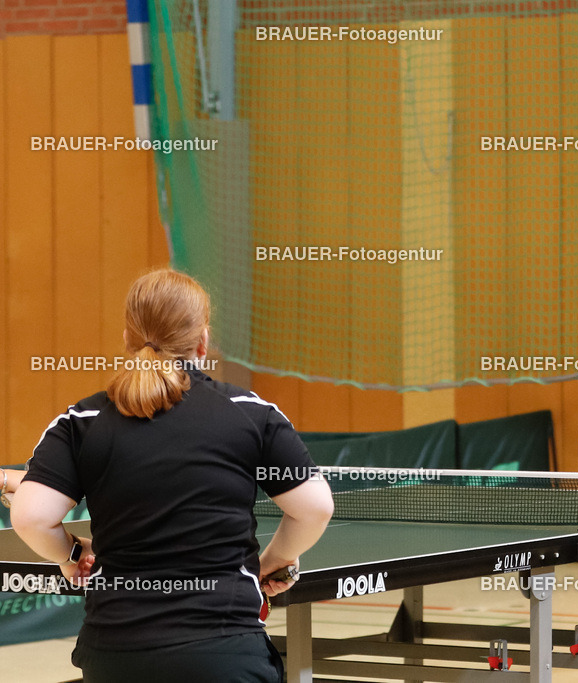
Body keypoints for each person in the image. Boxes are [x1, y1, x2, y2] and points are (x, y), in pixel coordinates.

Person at [12, 268, 335, 683]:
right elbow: (315, 508)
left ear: (128, 338)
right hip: (225, 653)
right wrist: (272, 561)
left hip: (115, 654)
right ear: (202, 341)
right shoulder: (250, 412)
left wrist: (70, 555)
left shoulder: (83, 420)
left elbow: (30, 517)